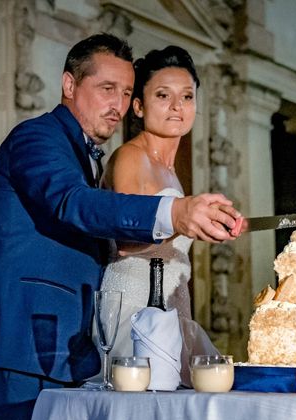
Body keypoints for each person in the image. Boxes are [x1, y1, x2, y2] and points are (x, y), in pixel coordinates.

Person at [0, 33, 240, 420]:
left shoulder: (89, 156)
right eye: (107, 89)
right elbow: (71, 203)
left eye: (126, 92)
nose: (118, 104)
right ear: (69, 84)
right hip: (22, 339)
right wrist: (173, 211)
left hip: (72, 342)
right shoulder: (36, 137)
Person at [99, 46, 219, 386]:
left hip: (173, 305)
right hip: (136, 307)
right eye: (163, 95)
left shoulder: (172, 173)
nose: (177, 106)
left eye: (187, 96)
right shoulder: (129, 158)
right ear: (138, 105)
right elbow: (127, 236)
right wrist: (184, 219)